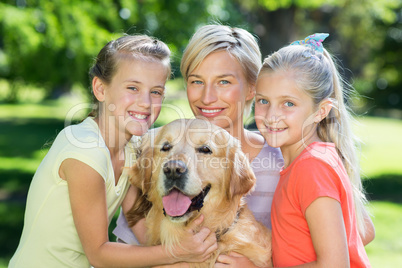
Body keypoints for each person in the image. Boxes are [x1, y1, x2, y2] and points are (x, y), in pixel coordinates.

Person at [9, 34, 217, 268]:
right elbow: (99, 254)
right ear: (100, 89)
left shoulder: (129, 151)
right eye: (132, 88)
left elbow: (139, 221)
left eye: (156, 92)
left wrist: (196, 252)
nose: (146, 102)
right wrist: (177, 252)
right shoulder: (85, 151)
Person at [113, 24, 284, 267]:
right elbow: (125, 246)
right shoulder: (149, 146)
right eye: (196, 81)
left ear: (253, 89)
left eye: (224, 82)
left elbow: (343, 234)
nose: (207, 97)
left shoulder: (281, 161)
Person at [254, 33, 375, 267]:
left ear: (321, 111)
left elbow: (334, 264)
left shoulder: (311, 167)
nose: (271, 116)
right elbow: (363, 231)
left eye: (288, 103)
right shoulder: (311, 160)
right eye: (263, 101)